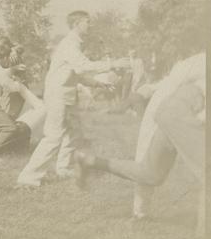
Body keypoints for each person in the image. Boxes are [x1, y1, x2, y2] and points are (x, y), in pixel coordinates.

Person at [74, 73, 206, 236]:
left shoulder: (192, 69)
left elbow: (147, 91)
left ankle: (90, 161)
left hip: (173, 108)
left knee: (151, 173)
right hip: (189, 108)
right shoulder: (207, 67)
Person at [16, 10, 130, 187]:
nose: (90, 25)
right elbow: (83, 67)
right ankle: (28, 177)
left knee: (73, 133)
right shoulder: (69, 44)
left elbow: (77, 74)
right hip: (58, 95)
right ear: (77, 24)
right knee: (53, 137)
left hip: (66, 94)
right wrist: (113, 64)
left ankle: (62, 168)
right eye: (87, 22)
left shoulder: (74, 43)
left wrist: (98, 84)